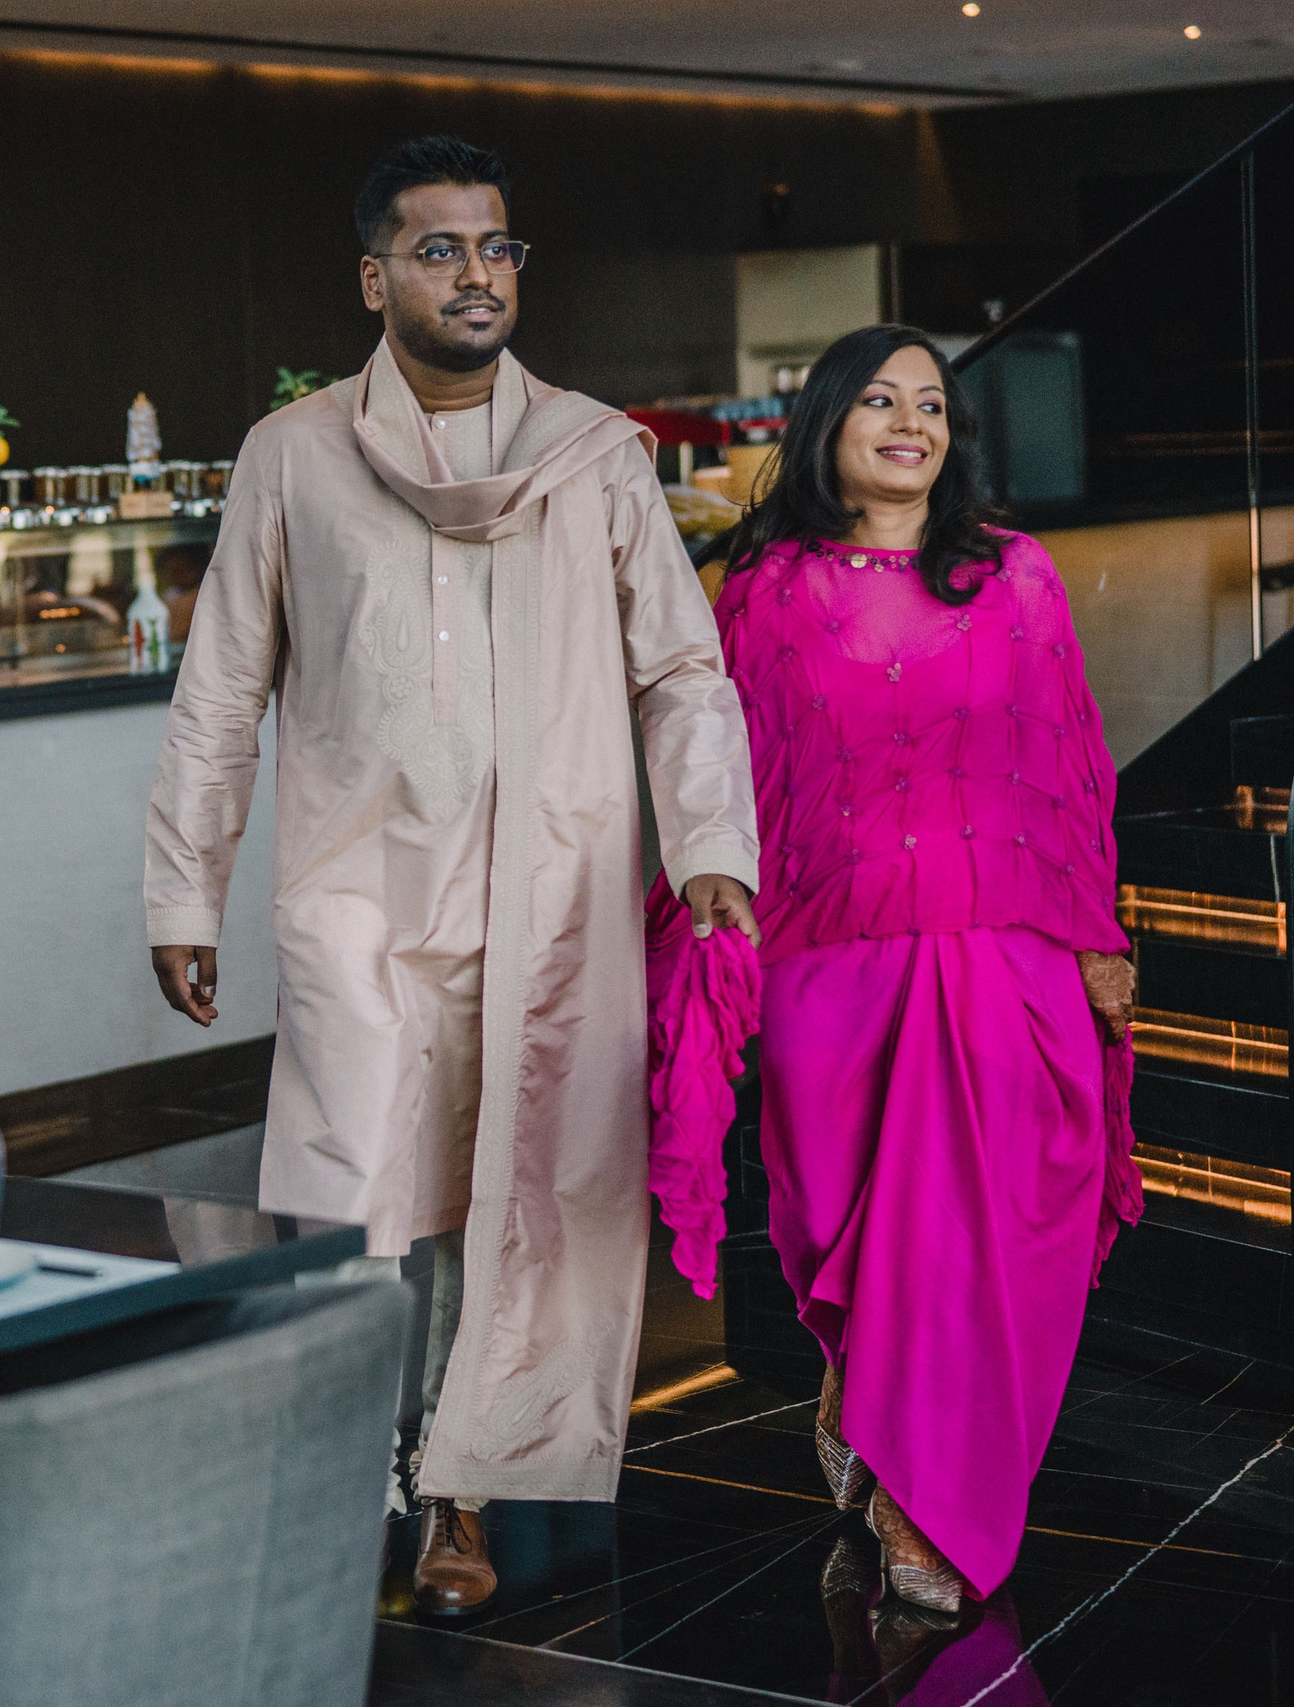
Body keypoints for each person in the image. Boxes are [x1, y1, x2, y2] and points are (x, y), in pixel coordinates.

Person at [142, 135, 760, 1613]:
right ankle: (342, 1480)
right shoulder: (292, 454)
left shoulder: (596, 454)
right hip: (362, 895)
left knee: (531, 1191)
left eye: (496, 248)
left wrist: (711, 844)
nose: (478, 273)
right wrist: (184, 887)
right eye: (440, 250)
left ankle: (462, 1498)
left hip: (557, 896)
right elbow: (224, 685)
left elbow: (681, 667)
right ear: (374, 278)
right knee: (358, 1200)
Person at [713, 323, 1140, 1613]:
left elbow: (1067, 766)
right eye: (884, 402)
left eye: (936, 406)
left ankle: (923, 1502)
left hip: (1003, 949)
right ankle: (860, 1389)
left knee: (979, 1231)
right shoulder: (764, 591)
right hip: (829, 956)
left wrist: (1098, 937)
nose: (914, 424)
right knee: (852, 1221)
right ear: (830, 423)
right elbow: (728, 785)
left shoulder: (1013, 572)